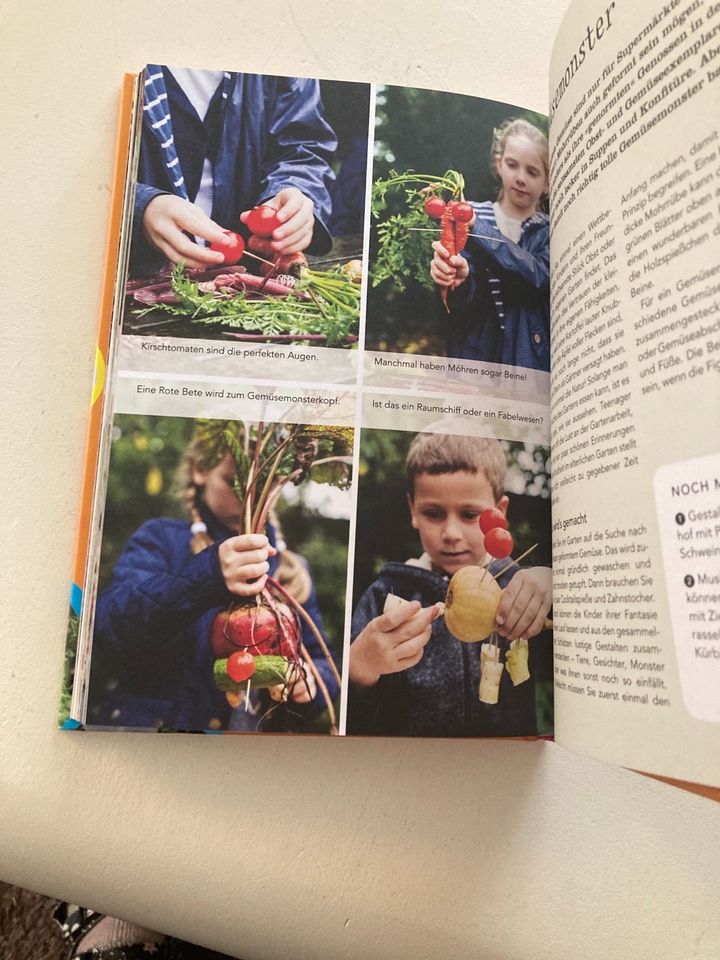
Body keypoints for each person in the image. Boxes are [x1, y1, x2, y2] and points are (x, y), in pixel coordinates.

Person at [87, 423, 339, 733]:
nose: (249, 493)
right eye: (234, 481)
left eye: (264, 483)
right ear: (199, 469)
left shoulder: (289, 568)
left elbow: (321, 660)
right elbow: (110, 624)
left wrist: (310, 683)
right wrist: (207, 575)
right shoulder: (161, 539)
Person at [347, 433, 552, 737]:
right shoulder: (386, 594)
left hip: (504, 770)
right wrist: (359, 667)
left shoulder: (520, 588)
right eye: (434, 513)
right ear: (413, 510)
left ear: (500, 513)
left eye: (469, 515)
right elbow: (350, 717)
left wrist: (554, 585)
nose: (451, 533)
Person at [131, 66, 338, 277]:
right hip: (137, 278)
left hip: (251, 278)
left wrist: (296, 195)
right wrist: (138, 206)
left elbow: (303, 147)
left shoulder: (284, 49)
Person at [430, 118, 550, 371]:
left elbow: (538, 277)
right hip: (474, 364)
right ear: (499, 165)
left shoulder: (549, 230)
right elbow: (457, 306)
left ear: (547, 182)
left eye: (532, 171)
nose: (520, 178)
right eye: (512, 165)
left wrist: (477, 228)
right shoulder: (474, 215)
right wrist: (460, 281)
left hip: (528, 366)